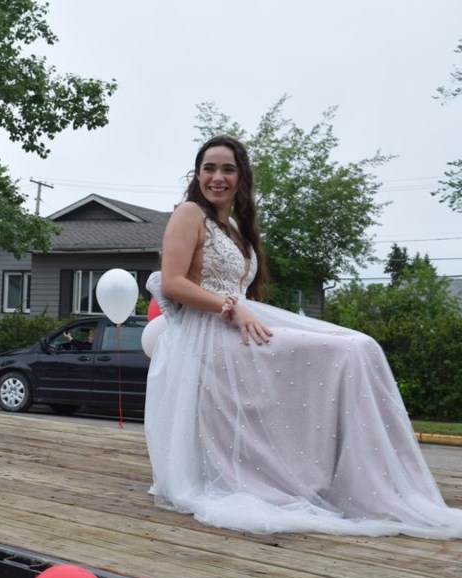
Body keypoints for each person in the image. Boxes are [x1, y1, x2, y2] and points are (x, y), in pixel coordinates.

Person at [144, 135, 462, 538]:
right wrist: (231, 306)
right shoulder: (189, 213)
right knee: (348, 351)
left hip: (238, 324)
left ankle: (359, 483)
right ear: (198, 174)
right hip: (210, 335)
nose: (217, 177)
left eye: (228, 169)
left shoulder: (236, 228)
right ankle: (338, 482)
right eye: (209, 168)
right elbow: (171, 283)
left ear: (241, 177)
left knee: (362, 347)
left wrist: (242, 308)